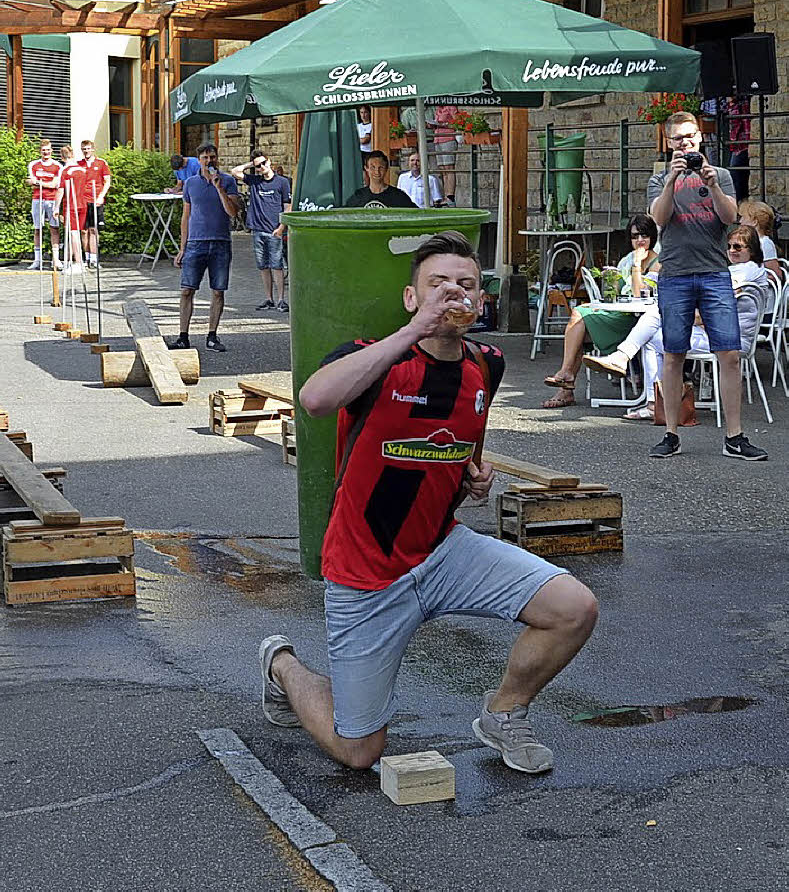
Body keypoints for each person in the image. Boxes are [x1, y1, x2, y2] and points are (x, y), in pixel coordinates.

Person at [258, 231, 598, 773]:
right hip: (365, 573)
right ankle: (283, 667)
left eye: (465, 285)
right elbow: (316, 400)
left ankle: (503, 712)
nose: (452, 294)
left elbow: (466, 446)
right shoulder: (373, 360)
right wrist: (415, 332)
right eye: (436, 285)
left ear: (479, 302)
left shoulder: (486, 365)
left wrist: (473, 478)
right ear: (411, 298)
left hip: (443, 554)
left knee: (574, 608)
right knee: (359, 752)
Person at [647, 111, 766, 461]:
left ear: (700, 137)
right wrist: (671, 180)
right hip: (676, 274)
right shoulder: (659, 179)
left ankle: (734, 436)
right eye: (678, 138)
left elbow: (730, 219)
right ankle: (671, 433)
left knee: (729, 354)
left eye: (690, 136)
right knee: (673, 355)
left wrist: (712, 183)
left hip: (715, 273)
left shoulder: (723, 175)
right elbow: (658, 219)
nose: (686, 143)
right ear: (669, 142)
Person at [583, 225, 770, 424]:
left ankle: (634, 372)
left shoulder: (746, 270)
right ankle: (649, 395)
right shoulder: (736, 270)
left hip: (729, 340)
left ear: (752, 250)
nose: (732, 250)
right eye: (729, 246)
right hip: (716, 333)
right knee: (655, 332)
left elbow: (710, 307)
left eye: (738, 247)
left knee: (658, 317)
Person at [541, 214, 660, 408]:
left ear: (652, 237)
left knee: (579, 320)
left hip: (640, 322)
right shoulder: (626, 260)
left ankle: (566, 381)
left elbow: (639, 295)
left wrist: (638, 264)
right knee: (579, 317)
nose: (639, 240)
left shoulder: (658, 263)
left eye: (644, 235)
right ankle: (566, 382)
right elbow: (616, 292)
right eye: (635, 236)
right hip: (620, 314)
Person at [170, 143, 241, 353]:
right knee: (186, 290)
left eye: (212, 157)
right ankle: (183, 336)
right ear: (198, 160)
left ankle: (212, 335)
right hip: (195, 243)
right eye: (205, 158)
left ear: (217, 158)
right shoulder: (191, 183)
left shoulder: (228, 181)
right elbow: (186, 217)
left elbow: (232, 212)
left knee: (218, 291)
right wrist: (182, 248)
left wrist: (219, 188)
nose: (209, 161)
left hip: (220, 243)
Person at [232, 149, 291, 313]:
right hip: (257, 230)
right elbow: (235, 172)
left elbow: (288, 206)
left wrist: (281, 227)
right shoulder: (254, 180)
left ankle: (281, 300)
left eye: (264, 163)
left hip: (275, 230)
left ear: (270, 161)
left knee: (277, 265)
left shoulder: (282, 182)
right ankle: (269, 299)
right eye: (258, 166)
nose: (262, 167)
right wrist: (252, 164)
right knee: (263, 266)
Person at [26, 139, 62, 271]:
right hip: (37, 199)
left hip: (52, 199)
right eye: (43, 150)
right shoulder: (33, 165)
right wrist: (43, 183)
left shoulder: (58, 166)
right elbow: (30, 181)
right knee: (37, 229)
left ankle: (56, 260)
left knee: (54, 228)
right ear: (40, 151)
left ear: (51, 150)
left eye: (48, 150)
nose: (46, 152)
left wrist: (39, 183)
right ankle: (37, 260)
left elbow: (55, 185)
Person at [78, 140, 111, 270]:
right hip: (83, 200)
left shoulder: (101, 163)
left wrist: (101, 196)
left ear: (93, 149)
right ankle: (86, 258)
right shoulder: (79, 164)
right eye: (83, 149)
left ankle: (94, 258)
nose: (86, 151)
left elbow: (107, 181)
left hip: (95, 199)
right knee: (84, 230)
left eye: (88, 148)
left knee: (94, 229)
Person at [345, 151, 416, 209]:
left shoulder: (399, 197)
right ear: (366, 168)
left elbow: (417, 215)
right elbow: (343, 215)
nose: (377, 172)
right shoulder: (358, 196)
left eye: (381, 167)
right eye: (373, 167)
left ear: (386, 169)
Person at [54, 146, 86, 274]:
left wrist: (56, 207)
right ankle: (72, 261)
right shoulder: (82, 169)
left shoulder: (65, 171)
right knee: (77, 232)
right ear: (73, 155)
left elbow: (61, 190)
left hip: (71, 205)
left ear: (62, 158)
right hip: (83, 204)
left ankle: (78, 262)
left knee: (73, 233)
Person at [738, 200, 781, 279]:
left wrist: (756, 278)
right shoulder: (745, 242)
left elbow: (776, 275)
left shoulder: (765, 243)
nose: (740, 221)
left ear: (754, 222)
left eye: (743, 217)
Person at [434, 105, 458, 206]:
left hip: (448, 138)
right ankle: (445, 196)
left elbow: (457, 123)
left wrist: (445, 124)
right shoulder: (438, 108)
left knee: (449, 168)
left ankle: (450, 196)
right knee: (443, 169)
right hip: (437, 138)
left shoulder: (451, 107)